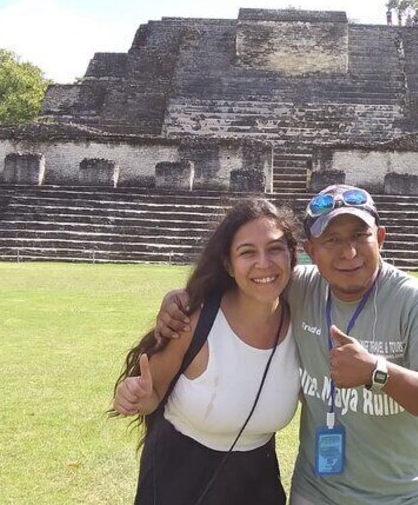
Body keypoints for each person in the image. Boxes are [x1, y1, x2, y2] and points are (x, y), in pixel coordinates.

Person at [157, 185, 418, 504]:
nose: (349, 253)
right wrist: (182, 298)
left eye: (360, 235)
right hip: (316, 492)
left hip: (403, 495)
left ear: (380, 238)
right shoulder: (300, 287)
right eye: (332, 240)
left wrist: (376, 372)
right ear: (311, 251)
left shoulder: (416, 301)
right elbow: (251, 279)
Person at [112, 198, 302, 504]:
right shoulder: (195, 321)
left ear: (293, 255)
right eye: (247, 252)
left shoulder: (305, 321)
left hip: (258, 478)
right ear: (228, 263)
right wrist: (136, 395)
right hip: (179, 475)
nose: (264, 263)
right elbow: (152, 395)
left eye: (275, 248)